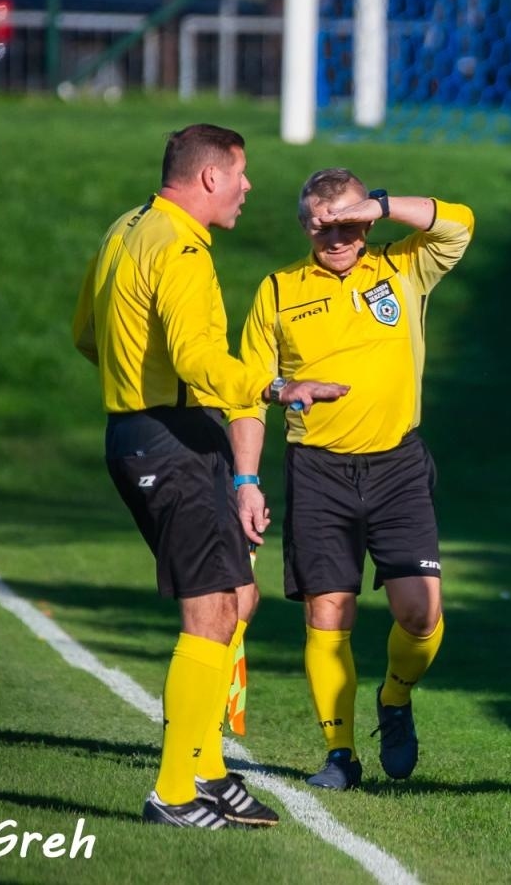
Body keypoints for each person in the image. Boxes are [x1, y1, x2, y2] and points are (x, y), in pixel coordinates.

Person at [71, 125, 348, 829]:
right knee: (208, 613)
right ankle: (172, 791)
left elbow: (85, 332)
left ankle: (213, 773)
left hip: (159, 433)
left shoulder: (125, 227)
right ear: (207, 180)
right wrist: (281, 387)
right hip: (167, 440)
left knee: (237, 599)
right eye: (241, 174)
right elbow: (199, 362)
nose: (249, 187)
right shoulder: (182, 248)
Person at [229, 168, 474, 790]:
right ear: (306, 225)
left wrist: (384, 204)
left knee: (420, 615)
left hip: (397, 464)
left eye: (346, 222)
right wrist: (246, 481)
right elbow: (249, 394)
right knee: (328, 612)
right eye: (321, 224)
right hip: (318, 471)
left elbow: (460, 223)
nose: (334, 236)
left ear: (364, 221)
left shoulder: (402, 267)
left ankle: (394, 700)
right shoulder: (279, 290)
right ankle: (339, 753)